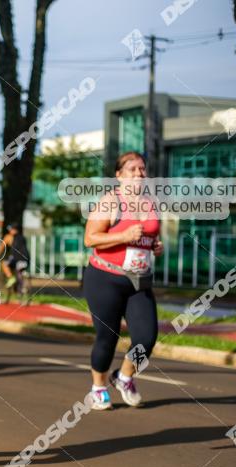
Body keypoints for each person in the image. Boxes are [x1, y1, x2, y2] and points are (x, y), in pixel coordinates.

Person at [82, 151, 163, 410]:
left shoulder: (150, 202)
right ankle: (98, 387)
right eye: (132, 170)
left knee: (146, 338)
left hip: (138, 280)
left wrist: (155, 246)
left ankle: (125, 377)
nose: (138, 174)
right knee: (108, 336)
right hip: (104, 278)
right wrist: (124, 235)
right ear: (119, 176)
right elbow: (90, 239)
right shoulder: (110, 202)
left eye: (142, 169)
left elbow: (149, 236)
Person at [0, 223, 30, 302]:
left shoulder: (9, 237)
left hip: (16, 258)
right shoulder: (23, 237)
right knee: (20, 272)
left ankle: (11, 277)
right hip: (26, 259)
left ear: (13, 230)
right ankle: (21, 289)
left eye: (10, 229)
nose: (9, 231)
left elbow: (1, 247)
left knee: (4, 263)